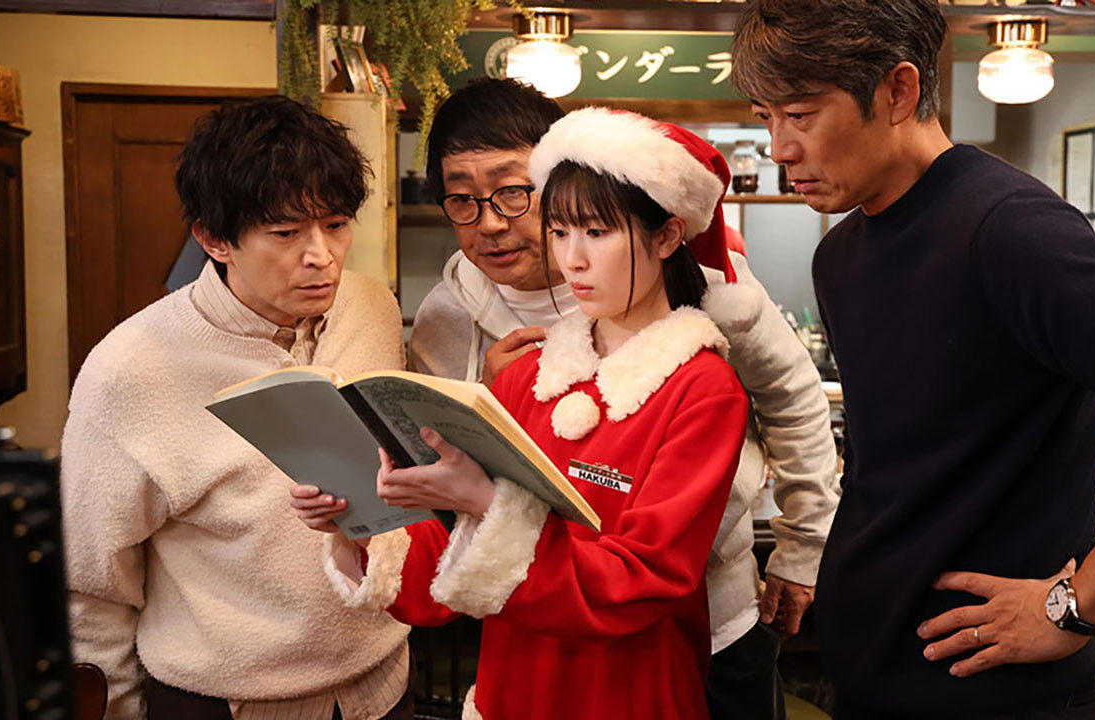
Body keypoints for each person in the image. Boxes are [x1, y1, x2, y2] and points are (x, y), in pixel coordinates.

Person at [730, 1, 1095, 718]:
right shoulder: (843, 254)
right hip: (870, 680)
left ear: (898, 91)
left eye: (800, 115)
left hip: (994, 697)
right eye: (765, 117)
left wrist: (1074, 607)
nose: (778, 149)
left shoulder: (1006, 229)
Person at [297, 108, 760, 719]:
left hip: (627, 691)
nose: (573, 259)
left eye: (597, 232)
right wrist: (358, 522)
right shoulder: (526, 377)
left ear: (668, 236)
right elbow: (445, 570)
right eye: (560, 232)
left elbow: (644, 579)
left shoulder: (702, 389)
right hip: (510, 686)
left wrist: (484, 502)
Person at [405, 77, 838, 719]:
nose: (490, 221)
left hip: (696, 616)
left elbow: (794, 399)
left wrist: (802, 548)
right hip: (530, 629)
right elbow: (453, 491)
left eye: (511, 190)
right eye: (462, 199)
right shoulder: (456, 320)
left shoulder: (711, 303)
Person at [61, 96, 413, 720]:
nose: (322, 256)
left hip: (381, 681)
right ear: (213, 238)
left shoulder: (371, 307)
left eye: (336, 225)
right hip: (225, 698)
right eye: (286, 233)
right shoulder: (130, 367)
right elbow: (91, 583)